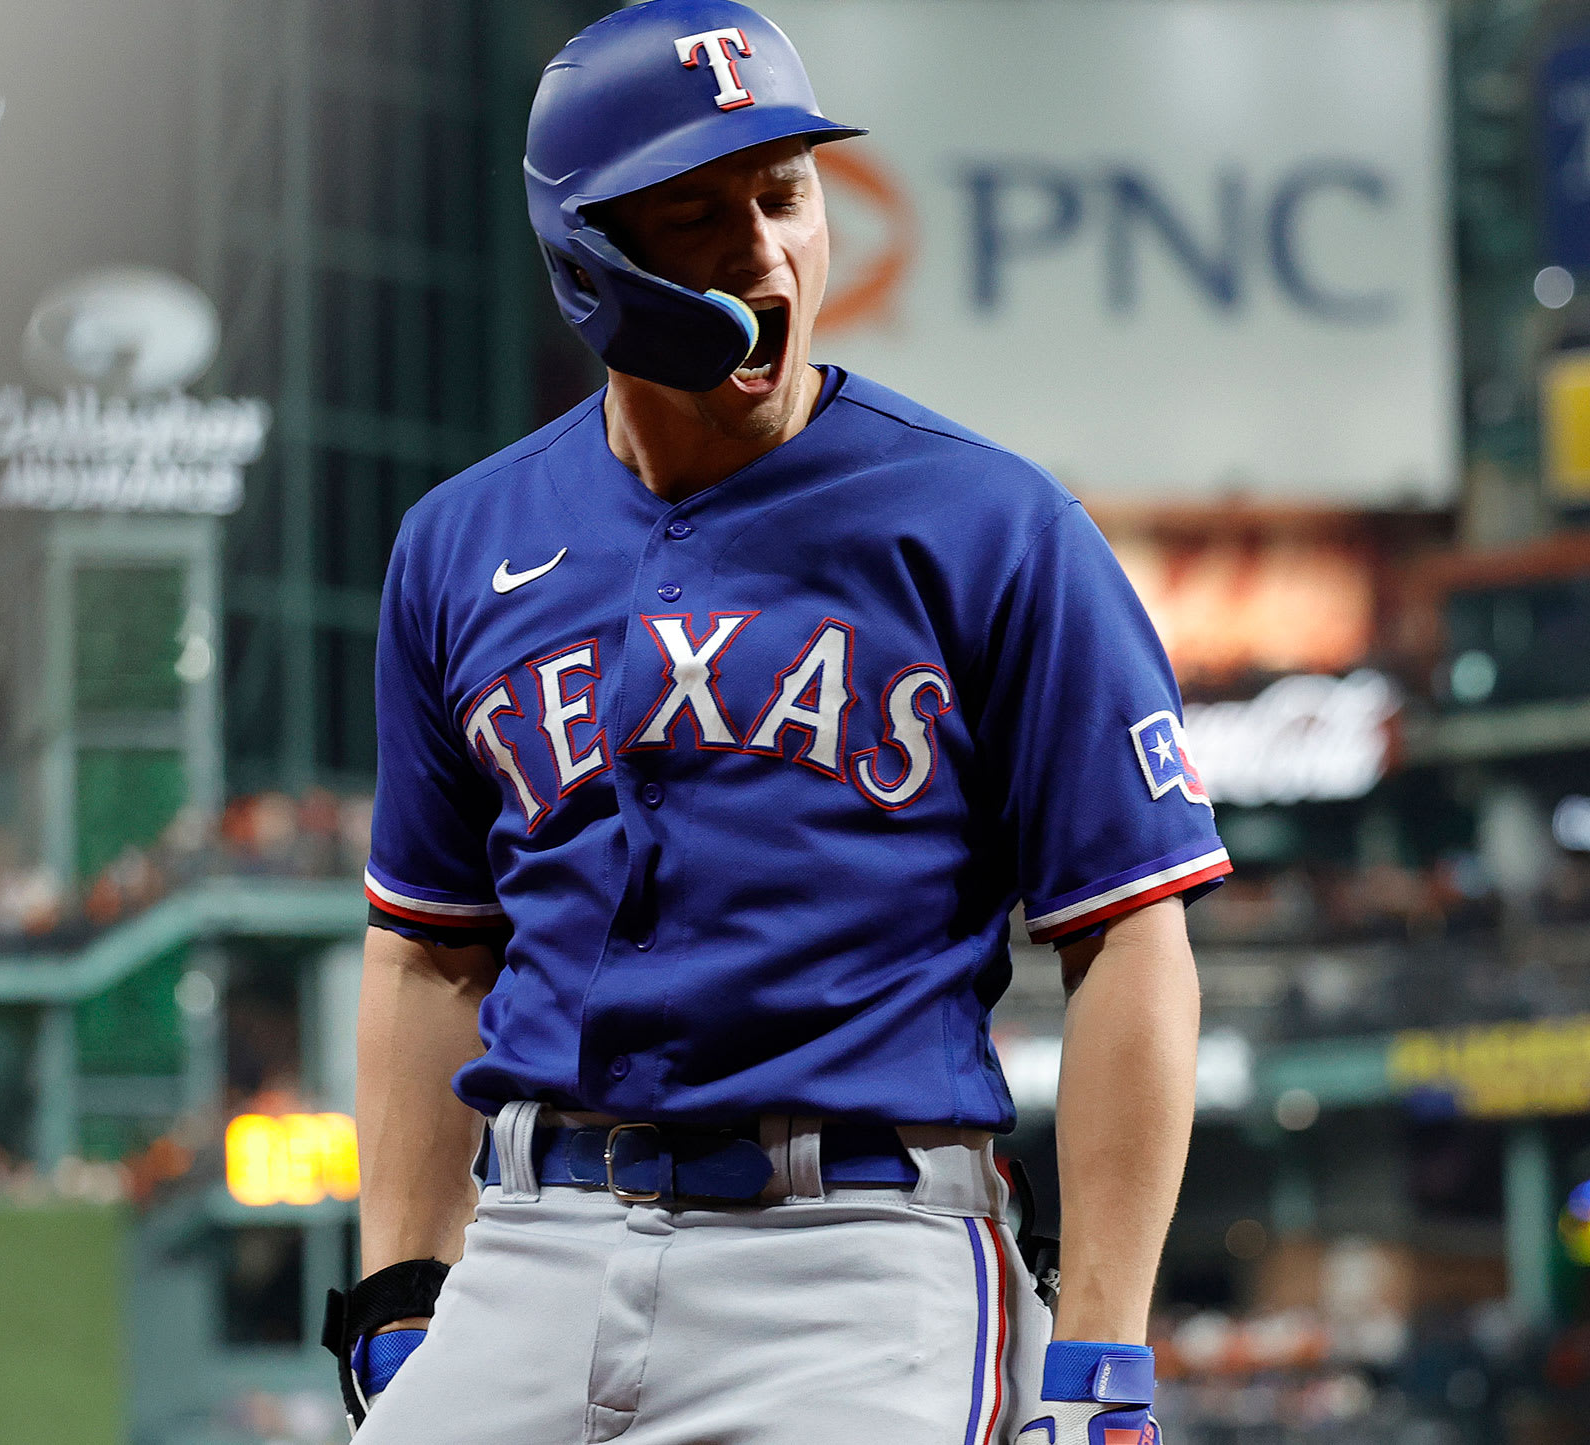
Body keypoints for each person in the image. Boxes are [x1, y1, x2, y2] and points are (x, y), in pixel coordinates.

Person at [323, 4, 1227, 1441]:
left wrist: (1102, 1354)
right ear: (589, 264)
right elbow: (431, 943)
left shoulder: (995, 527)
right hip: (535, 1245)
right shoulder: (459, 544)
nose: (763, 252)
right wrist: (398, 1285)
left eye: (785, 192)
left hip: (859, 1259)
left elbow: (1130, 936)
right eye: (695, 214)